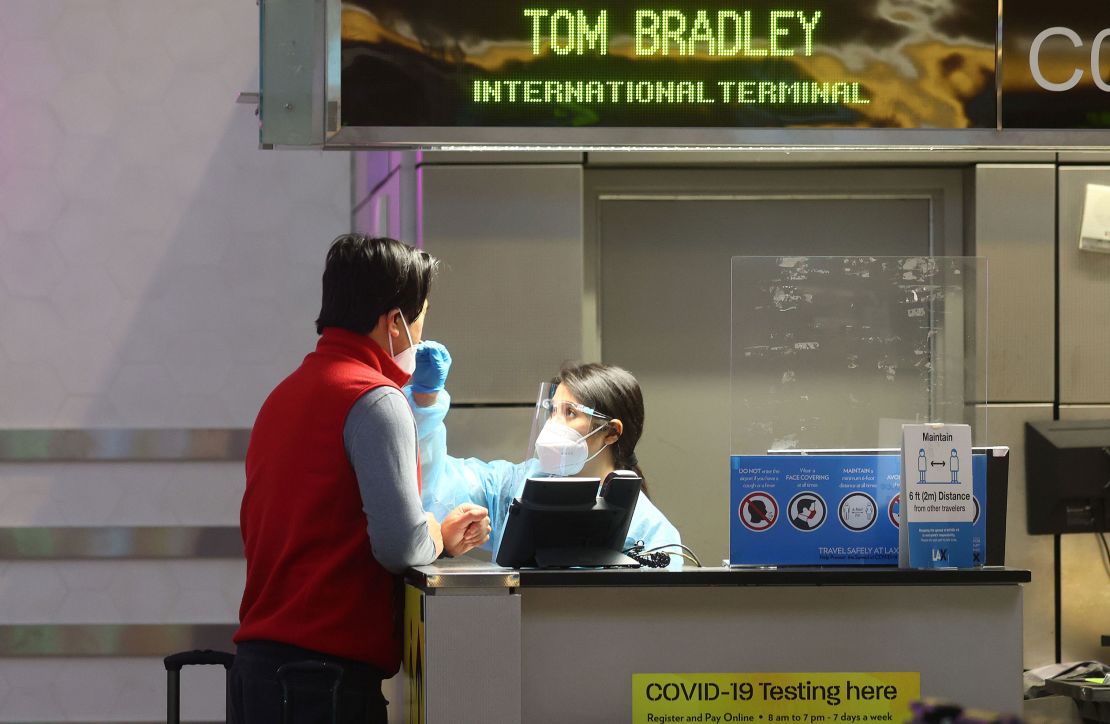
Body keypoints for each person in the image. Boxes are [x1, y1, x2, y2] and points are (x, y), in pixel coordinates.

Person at [232, 234, 491, 724]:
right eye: (419, 319)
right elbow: (400, 547)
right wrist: (439, 533)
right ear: (394, 322)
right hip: (321, 686)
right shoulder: (375, 399)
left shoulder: (285, 394)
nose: (419, 332)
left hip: (259, 673)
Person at [403, 348, 683, 566]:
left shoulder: (650, 530)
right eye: (552, 410)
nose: (554, 424)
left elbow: (653, 616)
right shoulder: (517, 486)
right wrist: (425, 406)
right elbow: (434, 484)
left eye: (570, 413)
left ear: (611, 432)